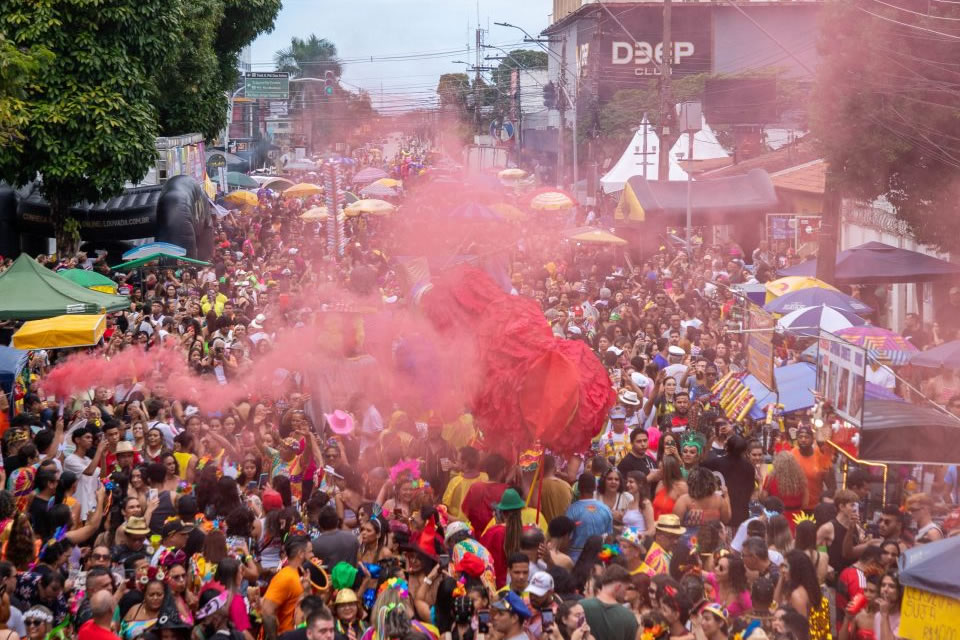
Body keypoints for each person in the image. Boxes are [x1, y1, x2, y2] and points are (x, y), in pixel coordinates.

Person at [262, 536, 311, 640]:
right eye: (310, 552)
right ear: (301, 554)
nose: (313, 555)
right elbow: (267, 611)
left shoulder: (300, 575)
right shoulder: (285, 577)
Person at [701, 435, 754, 528]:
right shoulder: (749, 467)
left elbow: (700, 467)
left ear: (727, 447)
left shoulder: (716, 463)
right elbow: (750, 489)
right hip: (741, 513)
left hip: (722, 512)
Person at [776, 550, 831, 640]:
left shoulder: (797, 595)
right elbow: (775, 604)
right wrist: (781, 577)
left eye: (786, 567)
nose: (782, 570)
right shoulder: (809, 588)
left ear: (795, 569)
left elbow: (801, 629)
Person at [579, 565, 638, 640]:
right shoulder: (629, 617)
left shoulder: (580, 606)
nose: (625, 593)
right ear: (618, 587)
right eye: (626, 588)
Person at [565, 475, 613, 562]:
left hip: (575, 560)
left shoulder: (572, 510)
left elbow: (567, 538)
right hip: (598, 559)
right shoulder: (605, 509)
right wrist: (606, 560)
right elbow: (609, 539)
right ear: (595, 487)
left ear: (579, 488)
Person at [790, 425, 833, 510]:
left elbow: (832, 487)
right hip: (794, 507)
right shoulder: (791, 455)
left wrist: (823, 499)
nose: (803, 440)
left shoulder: (822, 458)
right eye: (800, 437)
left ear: (813, 439)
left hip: (815, 508)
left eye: (806, 437)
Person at [761, 452, 808, 529]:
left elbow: (763, 499)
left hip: (776, 518)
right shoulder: (801, 479)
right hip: (797, 518)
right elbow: (805, 503)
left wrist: (760, 483)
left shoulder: (770, 479)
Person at [876, 571, 903, 640]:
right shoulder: (878, 615)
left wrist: (885, 615)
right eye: (883, 585)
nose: (885, 589)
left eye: (891, 586)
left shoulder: (905, 619)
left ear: (900, 591)